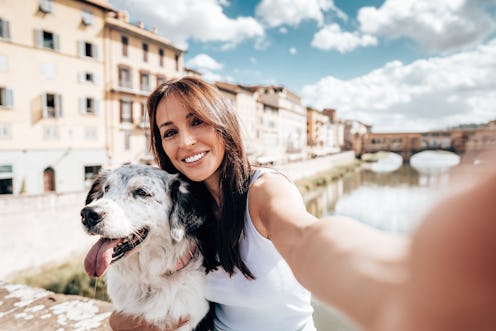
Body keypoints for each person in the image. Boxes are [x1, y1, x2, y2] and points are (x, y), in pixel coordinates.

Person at [109, 76, 496, 331]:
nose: (186, 142)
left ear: (223, 124)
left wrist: (393, 286)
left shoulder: (264, 191)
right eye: (170, 132)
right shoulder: (180, 212)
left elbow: (307, 238)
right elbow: (139, 307)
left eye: (197, 122)